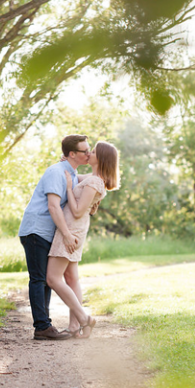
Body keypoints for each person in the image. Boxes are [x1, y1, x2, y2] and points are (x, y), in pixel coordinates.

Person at [18, 134, 91, 341]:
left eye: (89, 150)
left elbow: (99, 177)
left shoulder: (71, 173)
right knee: (39, 278)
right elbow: (52, 206)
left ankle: (45, 325)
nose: (88, 153)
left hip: (48, 232)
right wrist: (67, 235)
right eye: (85, 151)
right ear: (72, 154)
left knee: (48, 281)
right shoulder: (56, 172)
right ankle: (42, 326)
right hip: (36, 230)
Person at [46, 141, 120, 339]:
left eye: (93, 151)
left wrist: (70, 189)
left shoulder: (96, 182)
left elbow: (78, 211)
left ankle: (84, 319)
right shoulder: (93, 178)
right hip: (73, 228)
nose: (89, 153)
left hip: (71, 229)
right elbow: (72, 176)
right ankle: (75, 327)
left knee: (52, 278)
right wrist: (67, 163)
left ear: (101, 158)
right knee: (71, 278)